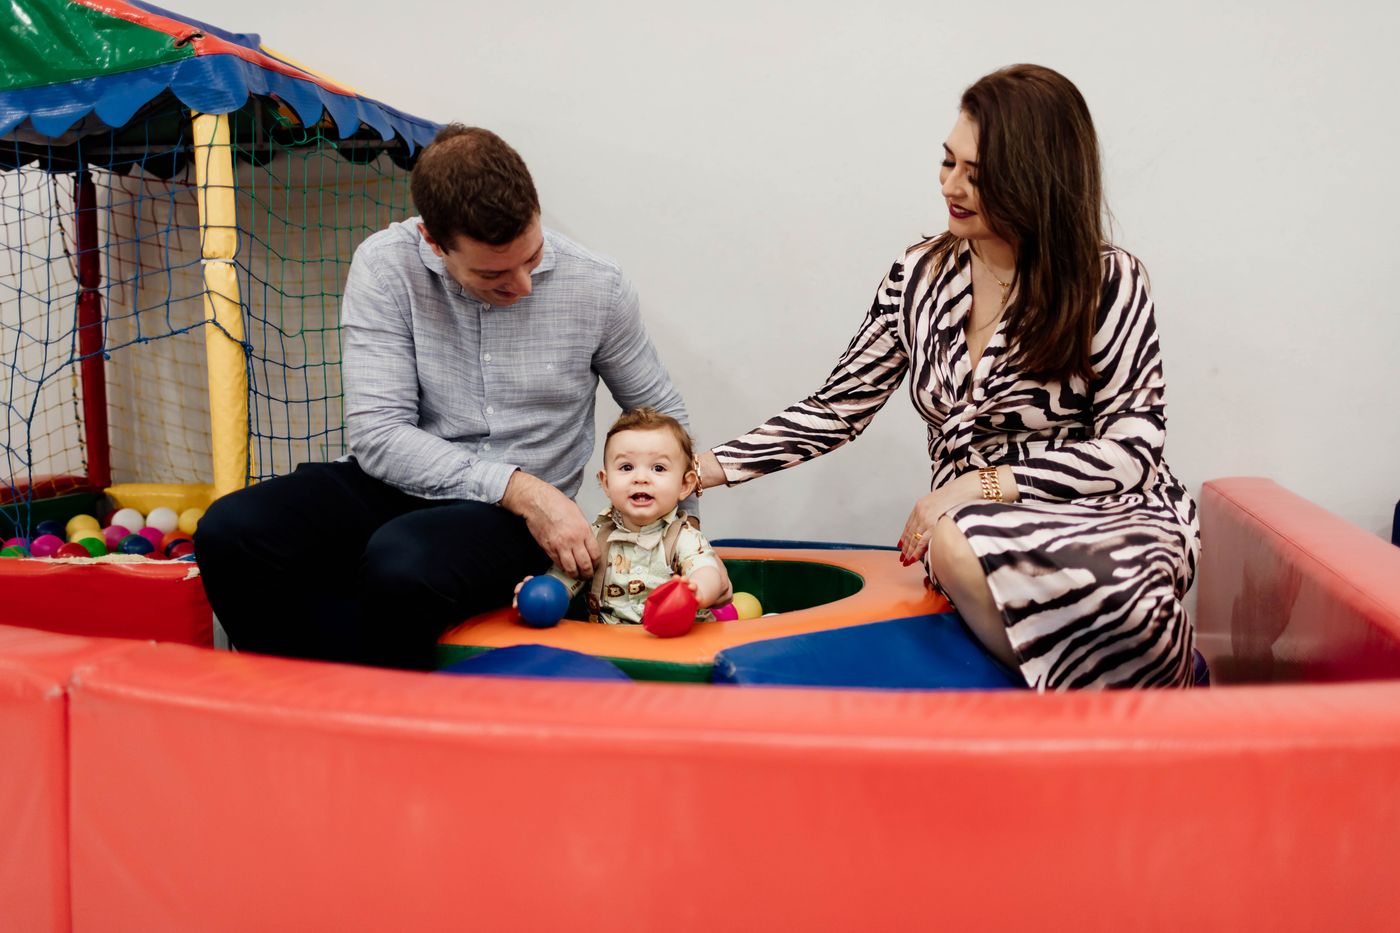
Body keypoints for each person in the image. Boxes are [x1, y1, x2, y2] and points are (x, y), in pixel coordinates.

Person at [696, 64, 1199, 690]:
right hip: (976, 535)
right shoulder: (918, 275)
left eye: (977, 175)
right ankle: (1113, 687)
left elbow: (1133, 449)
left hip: (1105, 512)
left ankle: (1119, 673)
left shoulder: (1110, 280)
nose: (950, 186)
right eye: (947, 161)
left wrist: (980, 484)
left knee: (1075, 569)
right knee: (960, 543)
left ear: (1035, 179)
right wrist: (701, 468)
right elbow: (838, 407)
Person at [196, 125, 693, 669]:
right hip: (413, 484)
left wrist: (684, 546)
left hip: (516, 524)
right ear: (434, 242)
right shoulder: (386, 265)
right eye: (493, 274)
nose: (523, 285)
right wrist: (520, 488)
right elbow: (379, 435)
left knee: (402, 560)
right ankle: (312, 695)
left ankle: (361, 694)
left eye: (531, 258)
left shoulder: (598, 285)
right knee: (231, 531)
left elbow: (665, 418)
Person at [516, 408, 731, 625]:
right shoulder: (596, 537)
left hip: (671, 639)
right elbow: (565, 579)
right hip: (610, 641)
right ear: (606, 483)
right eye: (627, 467)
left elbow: (705, 570)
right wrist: (539, 592)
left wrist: (696, 591)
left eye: (658, 468)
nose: (640, 478)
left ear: (685, 485)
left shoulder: (684, 538)